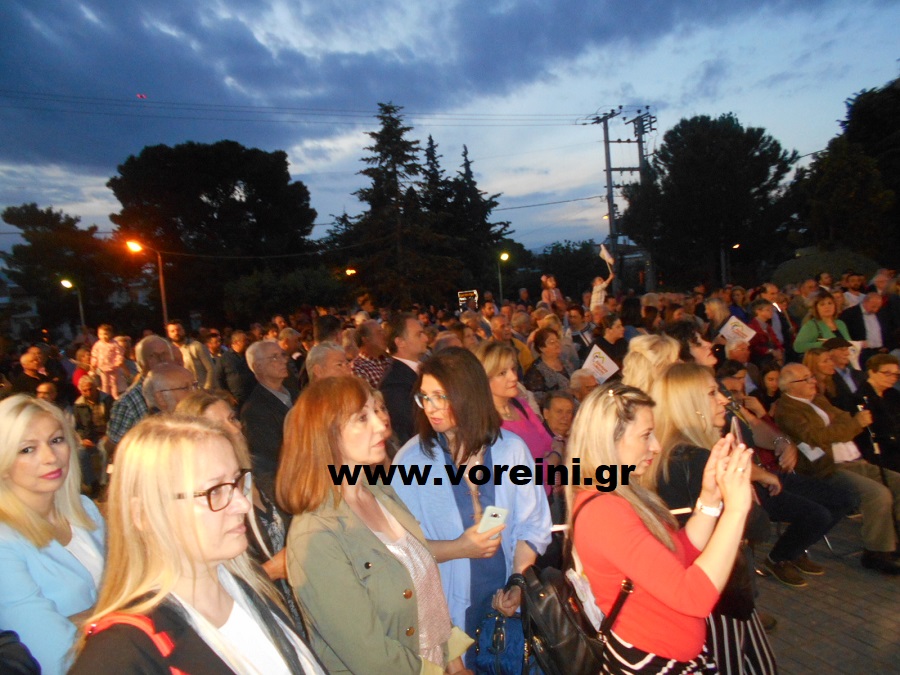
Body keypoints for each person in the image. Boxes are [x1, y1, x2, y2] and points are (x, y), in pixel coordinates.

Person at [71, 415, 325, 674]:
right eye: (215, 491)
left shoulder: (245, 586)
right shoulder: (122, 652)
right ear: (144, 514)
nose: (242, 504)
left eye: (237, 482)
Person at [278, 377, 472, 674]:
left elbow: (426, 592)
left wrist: (454, 662)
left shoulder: (380, 491)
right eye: (362, 417)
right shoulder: (315, 536)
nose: (382, 424)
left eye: (377, 412)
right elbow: (370, 657)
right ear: (326, 433)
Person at [567, 382, 753, 673]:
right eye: (646, 435)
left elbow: (678, 554)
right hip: (652, 660)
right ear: (608, 441)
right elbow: (694, 596)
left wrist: (709, 499)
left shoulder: (621, 493)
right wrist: (736, 511)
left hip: (665, 653)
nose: (656, 446)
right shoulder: (604, 511)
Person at [392, 348, 552, 642]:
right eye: (425, 397)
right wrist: (458, 548)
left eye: (440, 396)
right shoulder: (411, 461)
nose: (431, 407)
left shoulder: (511, 450)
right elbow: (400, 549)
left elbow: (532, 524)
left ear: (469, 394)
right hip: (445, 616)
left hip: (504, 606)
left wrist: (518, 581)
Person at [648, 365, 778, 671]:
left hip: (690, 583)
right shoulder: (699, 459)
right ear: (688, 403)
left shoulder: (663, 454)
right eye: (711, 393)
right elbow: (758, 526)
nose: (723, 399)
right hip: (716, 590)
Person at [0, 395, 105, 675]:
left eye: (56, 440)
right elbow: (52, 655)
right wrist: (112, 615)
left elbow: (132, 590)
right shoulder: (4, 543)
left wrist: (81, 620)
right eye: (27, 449)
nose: (50, 457)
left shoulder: (85, 510)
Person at [175, 391, 301, 621]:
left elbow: (319, 483)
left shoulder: (261, 470)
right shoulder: (207, 505)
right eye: (219, 426)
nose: (235, 429)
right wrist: (270, 571)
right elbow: (216, 583)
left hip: (297, 602)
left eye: (232, 418)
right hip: (262, 612)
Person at [775, 363, 900, 574]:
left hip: (849, 459)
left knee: (896, 481)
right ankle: (877, 552)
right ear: (789, 386)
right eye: (806, 379)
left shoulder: (817, 399)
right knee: (877, 494)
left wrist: (841, 427)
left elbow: (841, 416)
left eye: (811, 376)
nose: (813, 381)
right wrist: (853, 425)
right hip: (825, 468)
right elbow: (818, 437)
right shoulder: (787, 410)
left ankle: (894, 540)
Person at [474, 342, 557, 496]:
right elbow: (516, 475)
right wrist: (553, 461)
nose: (513, 377)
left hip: (544, 497)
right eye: (502, 373)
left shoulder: (521, 405)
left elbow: (549, 443)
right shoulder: (485, 423)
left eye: (513, 369)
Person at [523, 327, 572, 407]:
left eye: (557, 340)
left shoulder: (565, 362)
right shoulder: (535, 371)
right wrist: (562, 394)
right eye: (552, 342)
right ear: (542, 348)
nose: (557, 344)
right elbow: (537, 398)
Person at [90, 324, 126, 399]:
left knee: (113, 382)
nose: (103, 336)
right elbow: (94, 354)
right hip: (102, 367)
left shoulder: (114, 344)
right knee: (105, 383)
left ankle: (114, 395)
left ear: (110, 334)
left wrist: (119, 361)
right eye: (100, 334)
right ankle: (105, 396)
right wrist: (94, 362)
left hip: (112, 366)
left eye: (105, 334)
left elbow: (119, 353)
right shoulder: (98, 344)